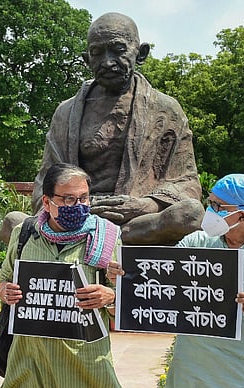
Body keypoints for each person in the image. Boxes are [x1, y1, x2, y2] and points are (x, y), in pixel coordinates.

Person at [109, 174, 244, 388]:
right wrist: (128, 281)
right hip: (193, 371)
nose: (209, 211)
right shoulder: (196, 244)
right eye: (210, 202)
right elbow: (164, 285)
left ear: (242, 216)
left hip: (242, 374)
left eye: (218, 206)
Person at [29, 12, 203, 245]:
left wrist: (146, 205)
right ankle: (100, 238)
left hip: (136, 219)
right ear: (86, 59)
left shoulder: (166, 109)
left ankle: (104, 239)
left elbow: (188, 183)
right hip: (77, 217)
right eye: (97, 53)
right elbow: (45, 181)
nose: (107, 62)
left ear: (140, 53)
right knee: (13, 222)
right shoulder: (66, 112)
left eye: (118, 50)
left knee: (189, 214)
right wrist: (73, 208)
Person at [0, 163, 130, 388]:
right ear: (47, 201)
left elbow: (126, 300)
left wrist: (110, 296)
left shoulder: (106, 236)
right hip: (31, 363)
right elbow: (4, 277)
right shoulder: (25, 234)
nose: (78, 205)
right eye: (68, 199)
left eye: (83, 198)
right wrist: (4, 291)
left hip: (84, 363)